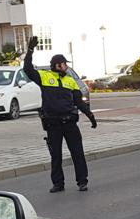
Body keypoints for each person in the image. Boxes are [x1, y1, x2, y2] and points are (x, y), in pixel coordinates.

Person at [23, 36, 97, 193]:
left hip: (70, 123)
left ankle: (82, 181)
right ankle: (58, 183)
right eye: (64, 64)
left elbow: (79, 101)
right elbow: (28, 70)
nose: (66, 67)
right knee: (55, 155)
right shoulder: (44, 76)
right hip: (53, 124)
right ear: (58, 65)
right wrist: (30, 51)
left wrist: (90, 115)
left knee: (78, 153)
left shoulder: (70, 81)